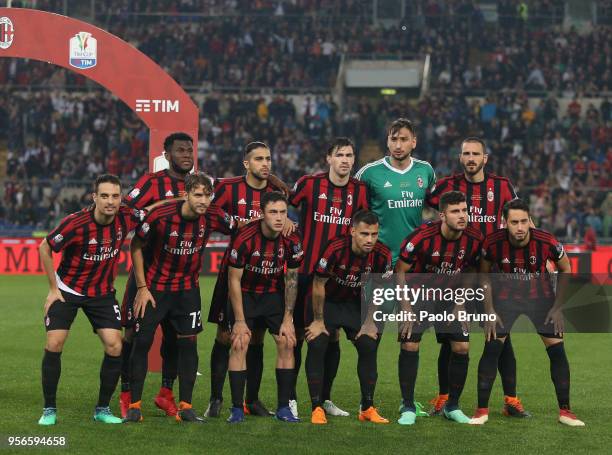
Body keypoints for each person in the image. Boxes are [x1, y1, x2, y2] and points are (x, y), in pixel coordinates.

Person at [425, 137, 528, 417]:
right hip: (456, 277)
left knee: (500, 339)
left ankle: (511, 400)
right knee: (451, 340)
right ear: (460, 157)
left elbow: (521, 218)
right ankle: (444, 398)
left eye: (476, 154)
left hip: (494, 275)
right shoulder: (447, 186)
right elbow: (428, 208)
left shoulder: (503, 186)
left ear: (485, 158)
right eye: (466, 154)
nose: (471, 158)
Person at [124, 173, 233, 423]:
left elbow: (239, 225)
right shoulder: (161, 216)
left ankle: (186, 407)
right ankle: (134, 407)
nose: (203, 200)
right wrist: (141, 287)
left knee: (188, 345)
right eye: (198, 195)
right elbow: (136, 246)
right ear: (185, 194)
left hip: (187, 292)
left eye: (207, 195)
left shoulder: (214, 215)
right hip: (155, 290)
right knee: (142, 342)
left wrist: (278, 221)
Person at [38, 174, 143, 425]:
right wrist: (53, 289)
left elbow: (151, 212)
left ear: (120, 198)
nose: (110, 201)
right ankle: (49, 409)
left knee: (115, 345)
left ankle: (102, 409)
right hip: (68, 290)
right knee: (54, 343)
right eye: (104, 196)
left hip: (102, 294)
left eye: (115, 196)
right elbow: (45, 246)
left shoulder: (127, 217)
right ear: (94, 197)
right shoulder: (75, 223)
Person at [470, 199, 585, 427]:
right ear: (505, 222)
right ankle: (481, 410)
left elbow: (566, 268)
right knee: (492, 347)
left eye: (524, 221)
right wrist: (489, 309)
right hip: (504, 300)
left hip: (540, 300)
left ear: (530, 220)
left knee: (557, 350)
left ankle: (566, 412)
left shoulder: (546, 241)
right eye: (514, 222)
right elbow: (483, 275)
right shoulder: (492, 243)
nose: (520, 227)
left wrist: (558, 306)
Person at [204, 141, 288, 418]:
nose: (265, 164)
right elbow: (209, 209)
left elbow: (289, 207)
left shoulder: (276, 193)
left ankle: (251, 400)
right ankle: (216, 398)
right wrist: (232, 222)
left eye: (268, 158)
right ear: (246, 163)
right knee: (226, 335)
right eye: (259, 159)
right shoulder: (229, 188)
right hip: (236, 273)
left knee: (257, 338)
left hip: (268, 276)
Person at [289, 137, 368, 418]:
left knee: (331, 337)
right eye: (340, 155)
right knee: (298, 336)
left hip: (337, 278)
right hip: (307, 273)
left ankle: (325, 398)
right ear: (329, 158)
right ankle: (290, 399)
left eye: (350, 155)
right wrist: (288, 221)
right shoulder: (309, 184)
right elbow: (283, 202)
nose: (345, 160)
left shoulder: (360, 191)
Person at [119, 132, 194, 418]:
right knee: (133, 336)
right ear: (167, 154)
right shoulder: (152, 182)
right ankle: (127, 394)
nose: (187, 154)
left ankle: (166, 393)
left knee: (176, 338)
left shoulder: (197, 185)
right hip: (147, 278)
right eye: (180, 150)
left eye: (190, 150)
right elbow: (127, 212)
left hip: (181, 282)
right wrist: (156, 208)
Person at [395, 191, 484, 425]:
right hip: (418, 295)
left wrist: (461, 302)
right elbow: (400, 271)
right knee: (410, 343)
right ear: (443, 215)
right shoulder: (421, 238)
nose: (462, 215)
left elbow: (472, 271)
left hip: (449, 296)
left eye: (465, 210)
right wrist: (405, 307)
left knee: (462, 347)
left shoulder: (474, 239)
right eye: (456, 211)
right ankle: (407, 406)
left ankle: (452, 406)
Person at [304, 210, 392, 425]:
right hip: (327, 302)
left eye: (374, 234)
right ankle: (317, 407)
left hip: (353, 303)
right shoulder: (335, 248)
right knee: (319, 342)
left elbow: (380, 288)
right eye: (364, 234)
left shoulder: (382, 254)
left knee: (369, 344)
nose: (369, 239)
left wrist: (370, 321)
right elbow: (318, 284)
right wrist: (318, 320)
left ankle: (367, 407)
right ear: (353, 231)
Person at [225, 192, 303, 423]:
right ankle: (237, 409)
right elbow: (233, 280)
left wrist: (288, 318)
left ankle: (283, 408)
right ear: (262, 214)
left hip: (272, 295)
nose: (279, 218)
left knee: (288, 342)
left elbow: (291, 279)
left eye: (282, 212)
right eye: (273, 212)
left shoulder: (292, 239)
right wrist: (239, 320)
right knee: (240, 343)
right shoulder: (245, 238)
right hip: (246, 295)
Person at [355, 118, 436, 265]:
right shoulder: (368, 173)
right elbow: (352, 213)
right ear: (387, 141)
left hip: (414, 259)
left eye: (404, 139)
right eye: (394, 139)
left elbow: (438, 207)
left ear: (414, 142)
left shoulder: (426, 170)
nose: (398, 145)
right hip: (377, 261)